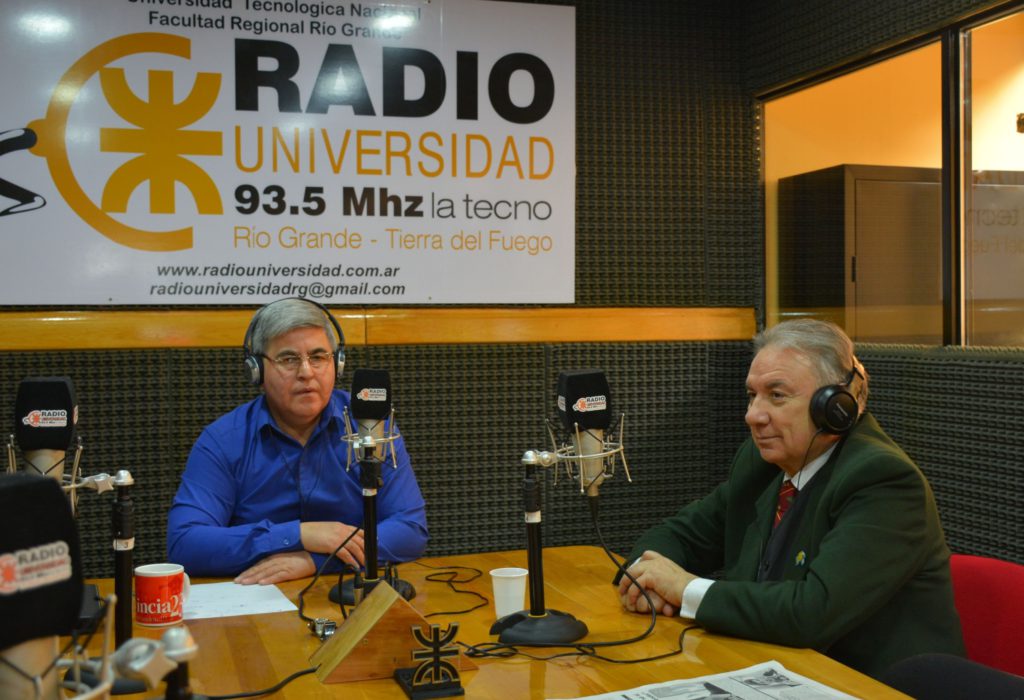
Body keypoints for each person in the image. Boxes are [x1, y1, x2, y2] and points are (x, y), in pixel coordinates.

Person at [617, 319, 964, 678]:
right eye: (752, 395)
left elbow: (812, 613)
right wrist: (647, 578)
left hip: (876, 686)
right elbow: (680, 535)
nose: (753, 415)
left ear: (834, 406)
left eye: (777, 395)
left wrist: (685, 589)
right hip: (776, 672)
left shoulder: (883, 482)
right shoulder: (764, 465)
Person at [167, 298, 428, 584]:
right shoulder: (223, 441)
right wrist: (301, 534)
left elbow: (410, 530)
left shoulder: (370, 427)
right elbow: (186, 543)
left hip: (348, 596)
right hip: (255, 605)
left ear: (337, 364)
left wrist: (314, 560)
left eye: (318, 357)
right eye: (288, 359)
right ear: (257, 371)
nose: (306, 372)